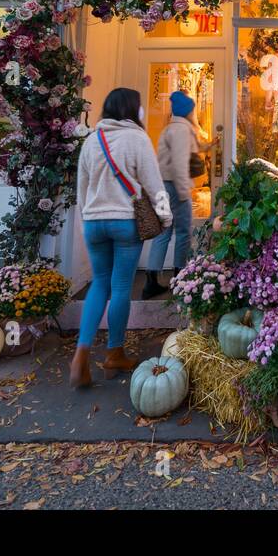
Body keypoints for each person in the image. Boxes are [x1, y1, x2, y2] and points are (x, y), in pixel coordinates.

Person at [70, 88, 172, 388]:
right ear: (132, 109)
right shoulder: (137, 139)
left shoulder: (91, 140)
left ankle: (81, 352)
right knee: (121, 287)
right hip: (125, 222)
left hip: (93, 223)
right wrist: (166, 217)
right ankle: (114, 352)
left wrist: (85, 222)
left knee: (99, 284)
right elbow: (155, 186)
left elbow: (82, 189)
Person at [142, 90, 202, 298]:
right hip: (175, 188)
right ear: (187, 111)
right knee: (183, 233)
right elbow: (179, 164)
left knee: (163, 232)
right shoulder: (181, 130)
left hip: (161, 186)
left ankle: (151, 281)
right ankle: (180, 277)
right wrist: (184, 191)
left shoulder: (169, 129)